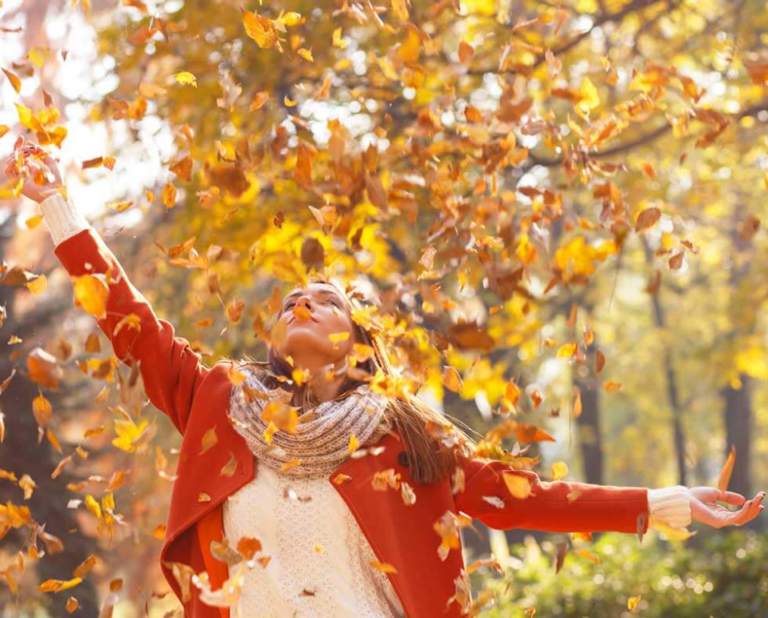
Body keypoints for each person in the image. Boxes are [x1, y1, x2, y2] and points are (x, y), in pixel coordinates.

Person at [3, 140, 764, 618]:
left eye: (325, 300)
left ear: (357, 346)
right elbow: (130, 321)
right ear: (273, 340)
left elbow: (525, 498)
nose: (301, 300)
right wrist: (55, 204)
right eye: (290, 301)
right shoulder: (219, 400)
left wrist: (670, 503)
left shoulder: (406, 438)